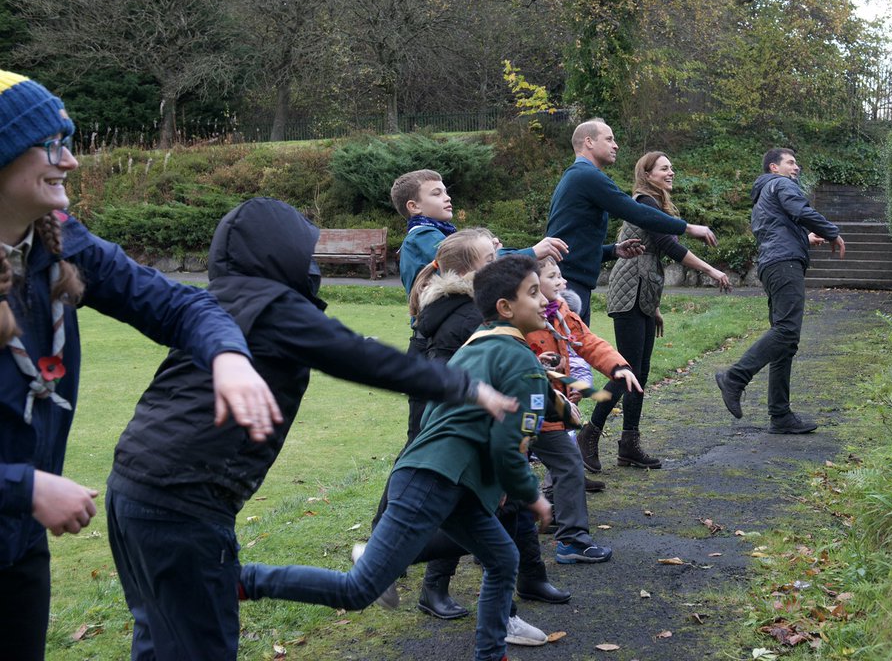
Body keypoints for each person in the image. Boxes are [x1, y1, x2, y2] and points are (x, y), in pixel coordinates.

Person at [104, 198, 516, 660]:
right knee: (200, 646)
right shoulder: (272, 307)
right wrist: (463, 387)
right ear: (278, 255)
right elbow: (357, 356)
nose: (312, 263)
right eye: (305, 253)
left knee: (158, 636)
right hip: (184, 500)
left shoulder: (216, 301)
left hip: (129, 489)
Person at [0, 70, 281, 660]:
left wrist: (227, 356)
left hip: (17, 543)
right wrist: (21, 486)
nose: (71, 161)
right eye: (52, 145)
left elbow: (178, 303)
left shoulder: (56, 242)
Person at [240, 254, 554, 661]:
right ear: (505, 308)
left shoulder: (478, 347)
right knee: (358, 590)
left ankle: (491, 655)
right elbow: (508, 447)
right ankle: (242, 580)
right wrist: (534, 496)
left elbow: (455, 418)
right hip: (435, 479)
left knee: (502, 557)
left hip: (443, 479)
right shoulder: (522, 362)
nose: (545, 297)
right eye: (533, 292)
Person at [386, 229, 567, 643]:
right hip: (459, 454)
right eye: (492, 256)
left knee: (502, 538)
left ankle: (517, 595)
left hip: (461, 450)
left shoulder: (473, 319)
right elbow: (456, 392)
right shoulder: (470, 318)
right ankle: (403, 564)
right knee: (498, 521)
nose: (501, 257)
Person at [579, 152, 731, 472]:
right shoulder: (645, 202)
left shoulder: (653, 203)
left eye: (672, 167)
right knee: (626, 370)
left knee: (640, 373)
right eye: (664, 168)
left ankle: (629, 445)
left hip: (642, 295)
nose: (671, 172)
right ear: (647, 174)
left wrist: (655, 307)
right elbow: (670, 248)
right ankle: (589, 434)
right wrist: (713, 271)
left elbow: (651, 257)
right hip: (630, 291)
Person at [391, 169, 567, 443]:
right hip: (430, 345)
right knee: (423, 435)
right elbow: (467, 261)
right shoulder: (422, 236)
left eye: (446, 191)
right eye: (436, 193)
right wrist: (530, 252)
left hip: (436, 342)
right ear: (413, 206)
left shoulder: (438, 234)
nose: (447, 197)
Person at [714, 148, 846, 434]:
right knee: (786, 331)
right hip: (784, 265)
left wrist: (804, 237)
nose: (796, 167)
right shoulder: (781, 184)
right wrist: (832, 231)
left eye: (797, 162)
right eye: (790, 162)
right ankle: (734, 378)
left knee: (786, 340)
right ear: (774, 167)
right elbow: (801, 210)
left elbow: (776, 228)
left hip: (774, 263)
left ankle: (780, 414)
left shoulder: (765, 193)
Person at [525, 258, 642, 564]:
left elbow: (586, 341)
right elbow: (521, 372)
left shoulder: (560, 312)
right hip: (517, 415)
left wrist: (617, 366)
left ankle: (572, 540)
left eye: (560, 275)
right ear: (530, 287)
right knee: (507, 478)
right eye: (553, 277)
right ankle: (495, 543)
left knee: (569, 465)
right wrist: (556, 394)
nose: (562, 282)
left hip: (550, 415)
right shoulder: (518, 320)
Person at [544, 119, 717, 324]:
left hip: (573, 280)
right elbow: (635, 212)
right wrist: (687, 227)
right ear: (589, 142)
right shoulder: (586, 176)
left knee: (575, 353)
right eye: (609, 139)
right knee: (567, 353)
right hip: (569, 283)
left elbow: (574, 242)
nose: (615, 145)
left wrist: (613, 251)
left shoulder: (579, 177)